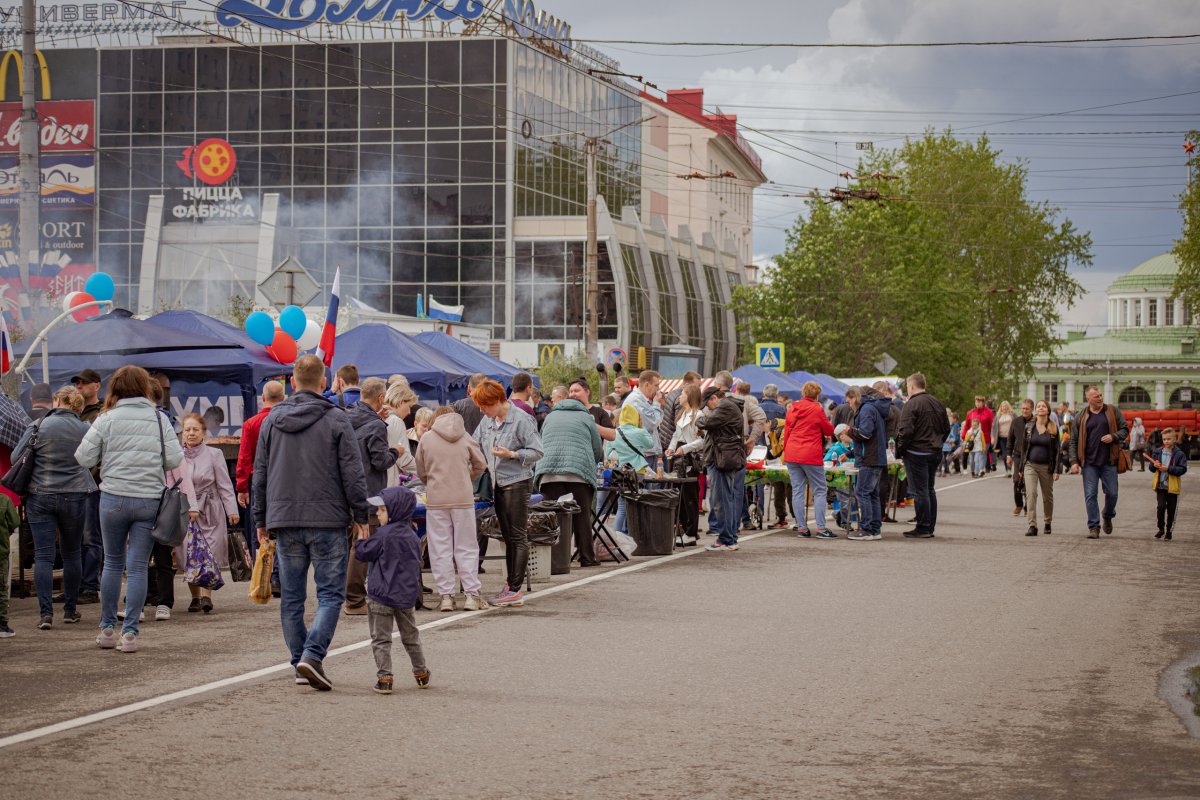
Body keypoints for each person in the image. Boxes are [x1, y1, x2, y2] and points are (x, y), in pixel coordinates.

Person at [253, 355, 370, 690]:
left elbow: (259, 473)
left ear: (293, 380)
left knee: (291, 597)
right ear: (323, 381)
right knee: (331, 594)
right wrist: (360, 514)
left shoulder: (272, 420)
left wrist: (260, 518)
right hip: (328, 519)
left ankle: (299, 661)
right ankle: (311, 656)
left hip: (285, 518)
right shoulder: (336, 418)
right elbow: (353, 471)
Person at [75, 365, 183, 654]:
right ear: (145, 387)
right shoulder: (159, 419)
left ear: (115, 388)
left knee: (111, 563)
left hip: (112, 498)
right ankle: (131, 634)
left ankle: (108, 629)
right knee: (137, 567)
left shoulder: (105, 418)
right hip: (148, 498)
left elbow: (83, 457)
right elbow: (174, 460)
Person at [14, 386, 97, 630]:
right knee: (72, 554)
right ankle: (70, 610)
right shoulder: (86, 429)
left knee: (43, 555)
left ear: (57, 400)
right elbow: (93, 459)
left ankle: (45, 614)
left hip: (40, 496)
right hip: (75, 496)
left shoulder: (39, 426)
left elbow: (16, 458)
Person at [472, 378, 543, 608]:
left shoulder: (521, 419)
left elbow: (537, 451)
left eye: (484, 405)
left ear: (497, 400)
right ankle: (511, 585)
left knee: (517, 536)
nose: (481, 410)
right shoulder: (487, 421)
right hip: (498, 483)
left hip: (518, 481)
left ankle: (514, 589)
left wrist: (512, 454)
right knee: (508, 536)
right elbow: (473, 444)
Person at [353, 486, 430, 694]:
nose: (377, 513)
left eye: (382, 510)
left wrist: (360, 540)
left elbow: (364, 554)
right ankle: (421, 672)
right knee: (411, 637)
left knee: (381, 638)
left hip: (380, 595)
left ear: (395, 511)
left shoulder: (382, 535)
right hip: (405, 596)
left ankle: (385, 678)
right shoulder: (413, 537)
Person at [416, 406, 488, 610]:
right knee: (466, 546)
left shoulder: (427, 438)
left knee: (440, 548)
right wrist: (467, 476)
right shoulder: (465, 436)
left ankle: (446, 596)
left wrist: (431, 482)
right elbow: (481, 464)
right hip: (463, 498)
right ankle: (472, 595)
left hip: (437, 499)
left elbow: (420, 470)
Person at [344, 377, 404, 616]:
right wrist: (396, 451)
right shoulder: (376, 426)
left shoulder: (346, 418)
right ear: (381, 399)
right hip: (368, 490)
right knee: (363, 544)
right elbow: (380, 461)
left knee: (353, 544)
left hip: (346, 489)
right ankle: (355, 599)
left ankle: (352, 595)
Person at [174, 413, 238, 614]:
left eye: (195, 429)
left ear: (203, 433)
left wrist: (232, 510)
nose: (191, 433)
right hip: (185, 511)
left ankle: (205, 596)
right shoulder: (176, 456)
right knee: (188, 554)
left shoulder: (214, 454)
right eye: (187, 430)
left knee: (209, 553)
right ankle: (194, 597)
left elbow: (225, 485)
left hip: (210, 509)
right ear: (182, 433)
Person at [535, 393, 604, 565]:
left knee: (552, 517)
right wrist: (592, 463)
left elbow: (540, 440)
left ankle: (553, 559)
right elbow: (597, 449)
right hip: (578, 472)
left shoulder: (550, 417)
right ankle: (587, 557)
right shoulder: (586, 417)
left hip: (548, 471)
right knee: (581, 516)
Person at [895, 372, 950, 539]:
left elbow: (905, 430)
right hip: (934, 451)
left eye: (907, 387)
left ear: (912, 386)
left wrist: (900, 450)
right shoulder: (937, 403)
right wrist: (938, 443)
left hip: (916, 452)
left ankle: (923, 527)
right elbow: (946, 428)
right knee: (929, 489)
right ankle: (929, 525)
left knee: (920, 491)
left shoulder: (911, 404)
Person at [1069, 386, 1128, 539]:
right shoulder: (1081, 416)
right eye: (1096, 396)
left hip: (1109, 461)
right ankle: (1094, 527)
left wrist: (1113, 436)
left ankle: (1107, 515)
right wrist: (1074, 461)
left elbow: (1125, 429)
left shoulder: (1112, 411)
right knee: (1090, 495)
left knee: (1112, 493)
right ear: (1088, 399)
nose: (1100, 398)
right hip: (1089, 463)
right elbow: (1073, 440)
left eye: (1100, 395)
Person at [698, 386, 748, 551]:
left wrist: (699, 418)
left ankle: (726, 539)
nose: (708, 409)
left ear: (714, 398)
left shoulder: (724, 406)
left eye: (708, 405)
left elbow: (707, 422)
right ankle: (730, 537)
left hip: (721, 459)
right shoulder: (729, 405)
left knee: (722, 500)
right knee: (727, 498)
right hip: (725, 457)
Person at [235, 381, 285, 544]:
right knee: (283, 529)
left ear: (263, 397)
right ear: (283, 398)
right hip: (284, 481)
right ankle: (279, 568)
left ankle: (262, 567)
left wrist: (242, 487)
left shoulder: (251, 424)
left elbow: (244, 458)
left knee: (259, 527)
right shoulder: (287, 421)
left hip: (258, 481)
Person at [783, 381, 835, 538]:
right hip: (810, 453)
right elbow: (828, 430)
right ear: (817, 395)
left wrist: (787, 451)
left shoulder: (792, 408)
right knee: (819, 489)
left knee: (797, 490)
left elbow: (787, 430)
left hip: (792, 453)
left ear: (803, 393)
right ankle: (820, 528)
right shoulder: (817, 408)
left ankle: (802, 528)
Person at [71, 368, 104, 603]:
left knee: (91, 535)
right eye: (77, 384)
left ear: (96, 386)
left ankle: (90, 585)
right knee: (74, 536)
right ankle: (77, 585)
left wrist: (98, 472)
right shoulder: (73, 412)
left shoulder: (103, 413)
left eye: (83, 383)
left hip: (93, 482)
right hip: (72, 481)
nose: (79, 387)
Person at [845, 386, 890, 541]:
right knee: (872, 494)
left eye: (849, 400)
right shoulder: (873, 408)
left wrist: (849, 431)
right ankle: (875, 529)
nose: (849, 404)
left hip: (869, 458)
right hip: (875, 457)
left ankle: (866, 529)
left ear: (854, 398)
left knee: (862, 492)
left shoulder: (866, 409)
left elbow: (865, 433)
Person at [606, 405, 655, 535]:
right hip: (637, 472)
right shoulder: (639, 432)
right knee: (635, 504)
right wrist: (641, 426)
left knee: (622, 506)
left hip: (619, 474)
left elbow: (607, 455)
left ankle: (617, 537)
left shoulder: (614, 432)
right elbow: (650, 444)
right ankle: (632, 535)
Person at [665, 383, 705, 546]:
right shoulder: (683, 414)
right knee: (680, 495)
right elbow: (676, 435)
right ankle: (684, 529)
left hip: (690, 459)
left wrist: (685, 448)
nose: (680, 396)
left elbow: (702, 441)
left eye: (682, 394)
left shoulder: (699, 415)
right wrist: (670, 448)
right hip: (678, 458)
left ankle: (691, 532)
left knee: (690, 497)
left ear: (690, 396)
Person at [1018, 400, 1059, 536]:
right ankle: (1032, 525)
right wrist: (1020, 468)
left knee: (1047, 497)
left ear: (1048, 410)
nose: (1041, 408)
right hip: (1030, 465)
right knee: (1031, 494)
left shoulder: (1053, 427)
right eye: (1038, 406)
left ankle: (1047, 522)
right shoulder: (1029, 427)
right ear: (1036, 410)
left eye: (1043, 406)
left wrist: (1056, 470)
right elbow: (1023, 448)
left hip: (1047, 467)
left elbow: (1057, 450)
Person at [759, 384, 790, 527]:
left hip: (759, 450)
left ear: (763, 394)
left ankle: (760, 512)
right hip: (781, 452)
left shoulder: (757, 408)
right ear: (776, 396)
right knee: (786, 484)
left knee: (758, 482)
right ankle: (788, 517)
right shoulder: (782, 410)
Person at [1148, 427, 1187, 540]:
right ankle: (1161, 528)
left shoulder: (1179, 454)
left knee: (1171, 510)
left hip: (1172, 487)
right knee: (1160, 507)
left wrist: (1168, 469)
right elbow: (1151, 468)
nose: (1166, 441)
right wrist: (1154, 465)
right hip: (1160, 486)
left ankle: (1169, 531)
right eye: (1164, 439)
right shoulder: (1158, 451)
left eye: (1169, 439)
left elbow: (1183, 469)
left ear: (1174, 439)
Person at [621, 369, 665, 468]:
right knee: (647, 482)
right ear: (646, 385)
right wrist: (657, 403)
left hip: (646, 452)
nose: (658, 389)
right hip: (643, 453)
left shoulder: (641, 399)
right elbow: (652, 423)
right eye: (656, 385)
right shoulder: (636, 400)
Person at [383, 383, 420, 487]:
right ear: (401, 402)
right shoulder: (396, 421)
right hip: (390, 483)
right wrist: (424, 471)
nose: (409, 412)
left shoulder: (382, 418)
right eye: (409, 406)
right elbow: (403, 459)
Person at [658, 370, 701, 453]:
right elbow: (679, 432)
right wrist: (672, 447)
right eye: (698, 386)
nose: (699, 389)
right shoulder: (680, 401)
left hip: (670, 443)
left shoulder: (673, 393)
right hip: (675, 446)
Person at [1007, 399, 1035, 516]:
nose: (1024, 410)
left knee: (1029, 483)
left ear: (1032, 409)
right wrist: (1009, 455)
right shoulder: (1016, 422)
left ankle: (1027, 508)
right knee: (1017, 481)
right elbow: (1010, 439)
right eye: (1023, 408)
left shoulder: (1036, 422)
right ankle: (1018, 505)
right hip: (1018, 455)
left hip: (1032, 456)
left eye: (1027, 409)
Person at [568, 377, 615, 442]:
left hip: (593, 451)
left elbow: (612, 436)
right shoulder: (567, 412)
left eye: (576, 391)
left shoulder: (599, 412)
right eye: (570, 391)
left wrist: (590, 423)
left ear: (587, 392)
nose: (572, 394)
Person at [0, 491, 19, 637]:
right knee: (1, 588)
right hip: (1, 552)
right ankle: (2, 625)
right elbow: (14, 523)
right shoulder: (4, 500)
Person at [963, 396, 995, 472]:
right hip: (972, 439)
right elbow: (967, 426)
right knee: (972, 458)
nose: (978, 403)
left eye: (980, 402)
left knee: (982, 456)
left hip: (985, 439)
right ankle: (974, 471)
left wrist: (993, 437)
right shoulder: (971, 413)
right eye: (977, 402)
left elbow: (992, 427)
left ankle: (980, 471)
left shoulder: (989, 412)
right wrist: (964, 436)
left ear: (983, 403)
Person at [993, 401, 1015, 477]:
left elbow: (1018, 423)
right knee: (1004, 455)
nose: (1004, 407)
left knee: (1009, 454)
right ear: (1001, 407)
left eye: (1006, 406)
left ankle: (1009, 470)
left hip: (1011, 437)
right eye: (1003, 406)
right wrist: (992, 437)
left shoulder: (1012, 414)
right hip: (1001, 438)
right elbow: (993, 427)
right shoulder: (998, 415)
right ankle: (1008, 470)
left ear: (1008, 407)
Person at [942, 412, 960, 476]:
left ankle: (946, 469)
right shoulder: (954, 425)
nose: (950, 419)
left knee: (949, 456)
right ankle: (957, 469)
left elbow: (955, 435)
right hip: (954, 443)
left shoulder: (955, 425)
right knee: (955, 456)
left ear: (955, 419)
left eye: (951, 418)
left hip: (954, 443)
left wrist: (953, 442)